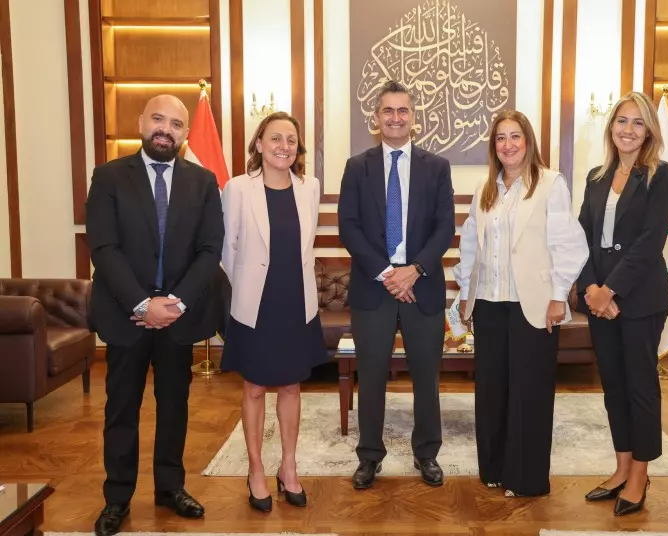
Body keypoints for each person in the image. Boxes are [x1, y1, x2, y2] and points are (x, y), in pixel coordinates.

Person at [86, 95, 224, 536]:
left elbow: (210, 249)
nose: (166, 129)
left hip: (177, 317)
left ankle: (170, 487)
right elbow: (103, 247)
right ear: (141, 122)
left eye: (177, 124)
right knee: (121, 409)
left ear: (185, 133)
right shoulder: (109, 176)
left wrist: (175, 303)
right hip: (125, 315)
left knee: (174, 406)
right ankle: (117, 497)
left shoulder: (203, 181)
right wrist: (143, 305)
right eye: (158, 119)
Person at [454, 110, 588, 497]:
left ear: (528, 141)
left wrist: (558, 296)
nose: (508, 144)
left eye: (515, 136)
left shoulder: (550, 183)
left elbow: (568, 244)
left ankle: (525, 479)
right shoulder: (485, 189)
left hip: (534, 304)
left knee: (530, 392)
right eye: (501, 138)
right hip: (489, 303)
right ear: (493, 146)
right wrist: (464, 295)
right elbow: (470, 245)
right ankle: (494, 469)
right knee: (492, 391)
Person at [338, 80, 455, 489]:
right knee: (370, 377)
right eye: (387, 110)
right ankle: (370, 456)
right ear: (376, 118)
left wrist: (415, 269)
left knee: (426, 377)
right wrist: (388, 274)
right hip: (375, 287)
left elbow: (444, 227)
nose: (395, 117)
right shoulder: (357, 167)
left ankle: (427, 453)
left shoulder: (436, 167)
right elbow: (348, 227)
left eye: (403, 110)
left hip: (422, 285)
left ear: (413, 117)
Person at [220, 112, 326, 512]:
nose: (284, 146)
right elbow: (228, 250)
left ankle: (289, 466)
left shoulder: (309, 187)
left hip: (296, 300)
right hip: (256, 304)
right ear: (259, 144)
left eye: (291, 140)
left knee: (292, 387)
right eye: (276, 138)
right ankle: (256, 470)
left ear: (298, 148)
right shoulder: (237, 188)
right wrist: (248, 287)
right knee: (254, 388)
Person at [577, 91, 668, 516]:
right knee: (613, 385)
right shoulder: (596, 177)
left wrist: (610, 290)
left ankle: (639, 475)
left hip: (640, 299)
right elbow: (581, 238)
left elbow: (650, 242)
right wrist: (590, 289)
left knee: (640, 387)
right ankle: (620, 468)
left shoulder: (661, 174)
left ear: (649, 131)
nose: (628, 129)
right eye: (622, 120)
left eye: (638, 122)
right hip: (600, 300)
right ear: (611, 127)